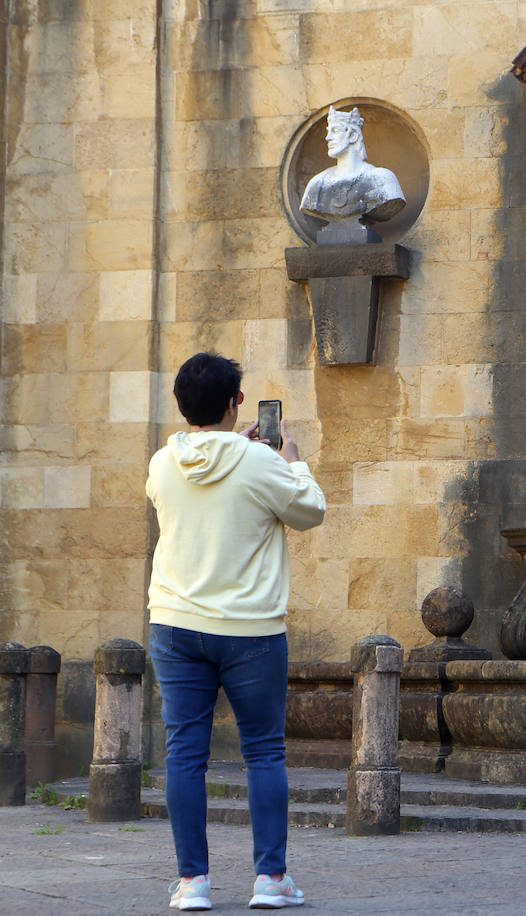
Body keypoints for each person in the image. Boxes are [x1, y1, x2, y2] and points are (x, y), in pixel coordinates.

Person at [146, 353, 326, 911]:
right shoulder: (260, 461)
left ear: (182, 404)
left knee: (185, 755)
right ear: (236, 402)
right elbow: (310, 511)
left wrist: (243, 450)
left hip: (175, 623)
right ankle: (270, 880)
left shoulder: (160, 463)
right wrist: (290, 460)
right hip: (251, 628)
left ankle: (193, 883)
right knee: (265, 753)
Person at [299, 106, 405, 225]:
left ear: (353, 135)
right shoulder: (317, 184)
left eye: (335, 131)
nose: (328, 137)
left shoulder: (381, 179)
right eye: (328, 131)